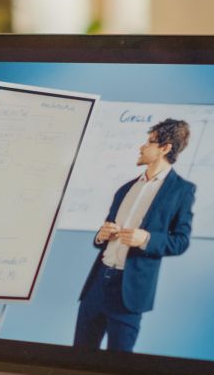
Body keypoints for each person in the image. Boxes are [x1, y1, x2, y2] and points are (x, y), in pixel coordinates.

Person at [73, 119, 196, 352]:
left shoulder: (182, 191)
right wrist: (101, 235)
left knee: (117, 364)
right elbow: (102, 237)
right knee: (78, 357)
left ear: (165, 148)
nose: (141, 147)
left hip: (129, 292)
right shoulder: (126, 188)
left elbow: (181, 241)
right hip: (97, 284)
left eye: (149, 142)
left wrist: (147, 239)